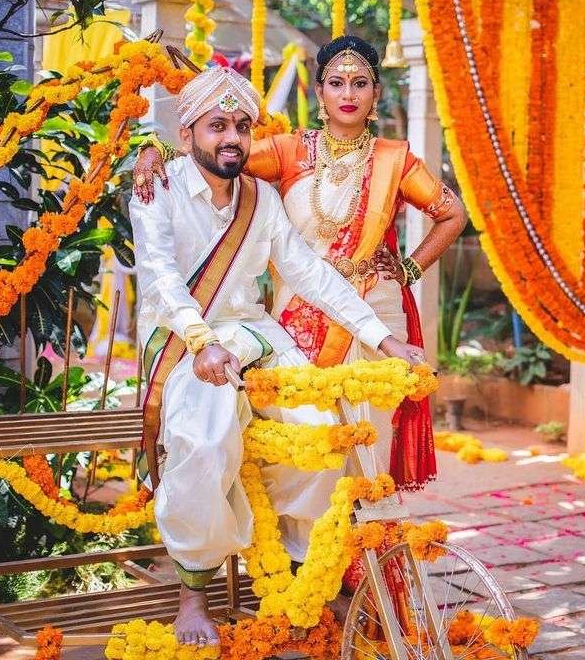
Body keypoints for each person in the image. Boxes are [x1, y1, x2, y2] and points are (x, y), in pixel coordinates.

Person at [130, 65, 424, 646]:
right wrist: (202, 341)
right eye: (217, 126)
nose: (232, 138)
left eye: (241, 126)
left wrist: (383, 338)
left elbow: (310, 273)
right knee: (205, 441)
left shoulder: (261, 197)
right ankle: (194, 592)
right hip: (182, 339)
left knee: (322, 436)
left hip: (254, 335)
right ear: (186, 134)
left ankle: (293, 577)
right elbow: (161, 276)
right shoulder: (157, 189)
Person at [134, 36, 468, 493]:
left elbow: (453, 214)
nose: (348, 94)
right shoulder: (290, 149)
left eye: (360, 83)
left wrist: (410, 268)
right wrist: (154, 147)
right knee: (305, 440)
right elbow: (218, 154)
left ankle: (370, 533)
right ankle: (298, 537)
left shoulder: (396, 160)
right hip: (298, 312)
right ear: (319, 91)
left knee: (369, 438)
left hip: (373, 309)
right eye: (336, 83)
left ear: (376, 93)